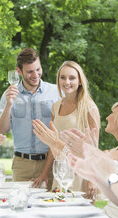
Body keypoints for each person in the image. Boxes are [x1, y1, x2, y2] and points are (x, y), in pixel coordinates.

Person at [32, 61, 100, 197]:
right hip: (61, 171)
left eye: (72, 78)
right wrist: (44, 174)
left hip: (81, 172)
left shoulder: (89, 108)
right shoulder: (56, 107)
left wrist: (92, 180)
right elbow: (53, 144)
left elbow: (94, 148)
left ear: (80, 81)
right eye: (62, 77)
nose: (66, 82)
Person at [0, 48, 60, 190]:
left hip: (50, 162)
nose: (35, 75)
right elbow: (3, 129)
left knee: (52, 207)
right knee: (21, 207)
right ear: (19, 71)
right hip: (22, 165)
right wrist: (9, 104)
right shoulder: (9, 95)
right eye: (30, 71)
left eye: (38, 69)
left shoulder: (55, 92)